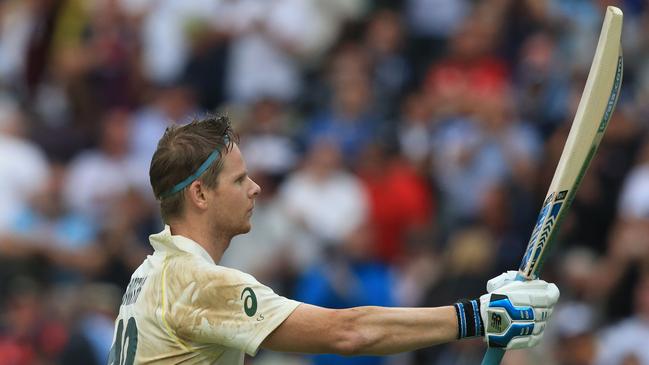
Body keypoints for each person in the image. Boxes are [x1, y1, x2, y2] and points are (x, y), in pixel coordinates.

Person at [108, 115, 560, 364]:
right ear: (200, 194)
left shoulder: (149, 275)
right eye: (240, 180)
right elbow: (350, 332)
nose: (255, 189)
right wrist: (481, 317)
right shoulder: (197, 282)